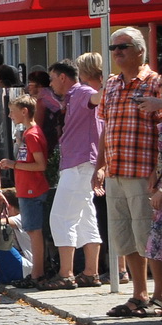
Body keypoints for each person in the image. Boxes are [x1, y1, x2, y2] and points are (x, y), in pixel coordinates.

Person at [97, 27, 162, 313]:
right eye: (112, 48)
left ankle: (160, 296)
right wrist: (99, 165)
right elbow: (105, 127)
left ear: (139, 50)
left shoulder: (155, 83)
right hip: (115, 171)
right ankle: (139, 294)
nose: (116, 52)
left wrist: (158, 175)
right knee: (125, 237)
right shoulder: (110, 85)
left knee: (149, 236)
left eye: (122, 46)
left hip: (144, 172)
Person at [40, 59, 103, 293]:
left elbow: (95, 97)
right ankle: (90, 272)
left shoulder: (82, 91)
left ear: (63, 77)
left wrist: (108, 86)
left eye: (53, 78)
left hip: (79, 162)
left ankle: (66, 274)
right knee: (86, 217)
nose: (51, 84)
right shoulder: (72, 96)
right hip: (81, 161)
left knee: (60, 216)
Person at [1, 94, 51, 292]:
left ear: (24, 111)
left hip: (32, 189)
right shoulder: (28, 133)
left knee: (34, 232)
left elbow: (40, 164)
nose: (10, 115)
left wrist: (14, 164)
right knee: (32, 230)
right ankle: (37, 271)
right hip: (26, 189)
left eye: (13, 111)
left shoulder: (32, 134)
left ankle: (37, 272)